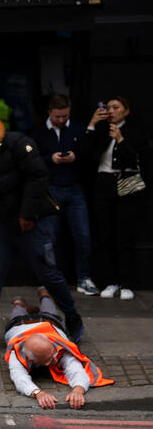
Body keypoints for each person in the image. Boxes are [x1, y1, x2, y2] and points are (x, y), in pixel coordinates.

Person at [0, 109, 84, 355]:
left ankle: (73, 317)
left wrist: (27, 214)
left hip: (29, 220)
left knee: (48, 272)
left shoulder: (13, 143)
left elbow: (38, 177)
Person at [32, 94, 98, 295]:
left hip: (75, 188)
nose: (61, 120)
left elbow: (90, 156)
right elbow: (30, 160)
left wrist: (75, 157)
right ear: (49, 112)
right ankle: (49, 280)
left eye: (65, 116)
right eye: (57, 117)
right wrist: (50, 159)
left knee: (83, 236)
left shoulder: (77, 129)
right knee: (49, 238)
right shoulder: (38, 133)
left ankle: (84, 278)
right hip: (50, 189)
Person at [3, 289, 114, 410]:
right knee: (17, 311)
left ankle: (44, 294)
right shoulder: (16, 354)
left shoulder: (58, 348)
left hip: (49, 320)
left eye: (54, 354)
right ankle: (19, 304)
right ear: (32, 360)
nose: (56, 359)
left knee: (49, 308)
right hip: (19, 323)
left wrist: (78, 390)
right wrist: (38, 393)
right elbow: (19, 378)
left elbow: (75, 369)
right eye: (49, 360)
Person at [85, 96, 149, 300]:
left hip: (126, 184)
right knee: (106, 235)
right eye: (108, 107)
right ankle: (110, 281)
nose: (111, 111)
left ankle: (127, 282)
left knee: (125, 235)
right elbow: (86, 153)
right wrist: (93, 125)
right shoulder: (102, 130)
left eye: (116, 107)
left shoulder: (134, 131)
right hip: (104, 183)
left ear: (126, 111)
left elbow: (137, 157)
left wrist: (121, 139)